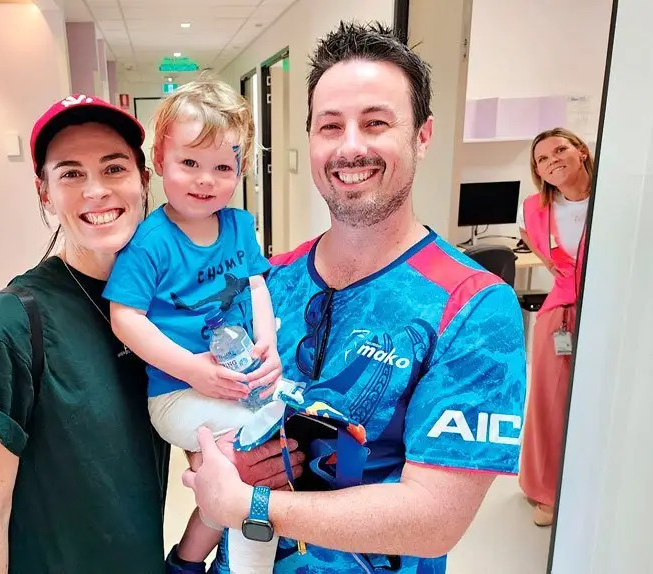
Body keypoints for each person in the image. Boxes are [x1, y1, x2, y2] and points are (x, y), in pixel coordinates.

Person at [181, 21, 528, 573]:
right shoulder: (267, 282)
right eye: (330, 126)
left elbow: (435, 518)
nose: (350, 147)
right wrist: (219, 461)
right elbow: (203, 413)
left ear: (423, 135)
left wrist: (254, 502)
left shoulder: (474, 308)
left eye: (375, 123)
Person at [0, 93, 303, 573]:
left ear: (143, 180)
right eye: (70, 174)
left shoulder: (169, 312)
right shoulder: (8, 326)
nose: (96, 191)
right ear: (44, 192)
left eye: (113, 169)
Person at [105, 78, 282, 573]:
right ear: (159, 161)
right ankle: (220, 561)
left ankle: (188, 562)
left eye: (222, 167)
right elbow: (126, 319)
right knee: (248, 467)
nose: (206, 180)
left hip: (236, 375)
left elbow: (256, 286)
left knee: (283, 434)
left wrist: (268, 340)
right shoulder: (150, 242)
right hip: (177, 394)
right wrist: (192, 370)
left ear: (240, 170)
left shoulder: (239, 225)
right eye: (189, 163)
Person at [517, 127, 591, 527]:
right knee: (548, 404)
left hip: (608, 312)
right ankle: (544, 489)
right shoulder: (534, 208)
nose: (551, 161)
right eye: (542, 159)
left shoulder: (612, 200)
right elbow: (543, 252)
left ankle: (589, 482)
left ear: (581, 152)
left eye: (559, 150)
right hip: (561, 314)